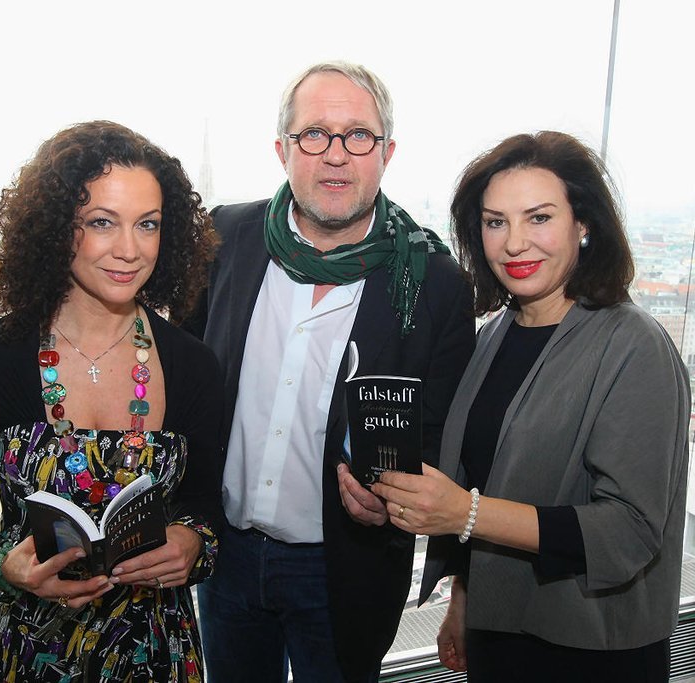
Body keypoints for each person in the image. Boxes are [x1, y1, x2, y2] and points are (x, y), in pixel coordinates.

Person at [186, 62, 475, 682]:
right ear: (283, 150)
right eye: (315, 133)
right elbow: (185, 379)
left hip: (343, 571)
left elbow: (442, 438)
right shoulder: (224, 239)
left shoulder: (435, 284)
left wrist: (391, 500)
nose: (336, 154)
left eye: (358, 135)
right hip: (225, 558)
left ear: (387, 152)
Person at [372, 131, 691, 682]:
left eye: (539, 218)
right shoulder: (494, 335)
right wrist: (462, 601)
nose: (515, 243)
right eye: (495, 222)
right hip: (498, 626)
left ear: (583, 223)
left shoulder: (634, 345)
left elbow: (630, 530)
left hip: (592, 645)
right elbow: (489, 479)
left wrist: (465, 513)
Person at [0, 120, 224, 681]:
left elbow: (206, 505)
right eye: (102, 222)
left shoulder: (194, 366)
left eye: (148, 224)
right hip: (26, 654)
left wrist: (192, 542)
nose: (129, 250)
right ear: (57, 227)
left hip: (154, 653)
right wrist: (0, 564)